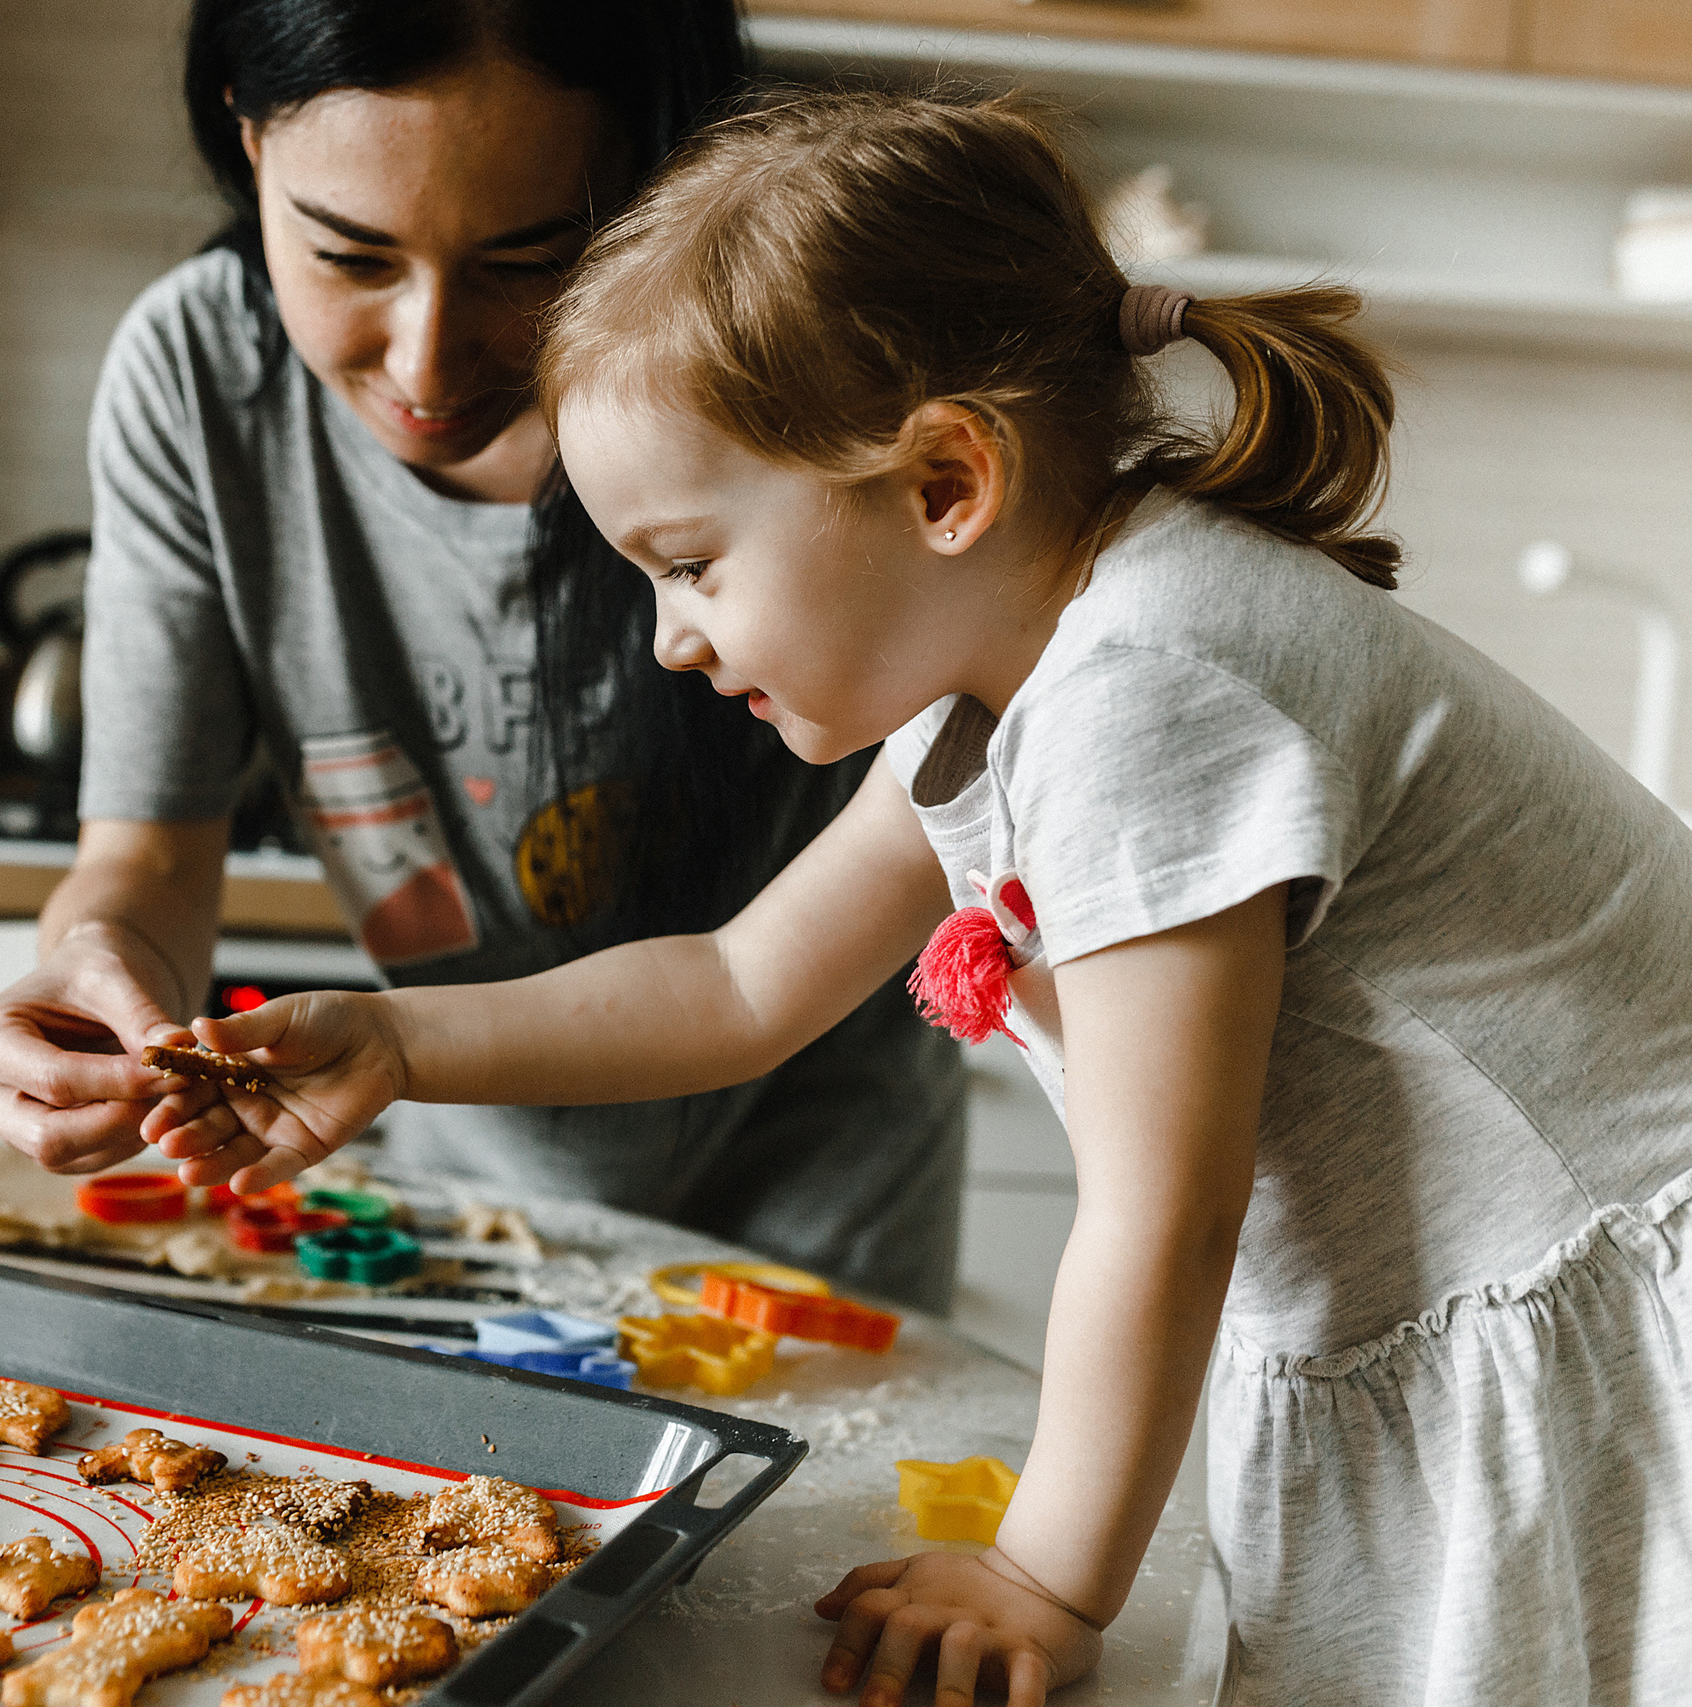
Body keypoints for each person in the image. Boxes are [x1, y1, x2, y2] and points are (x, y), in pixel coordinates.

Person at [151, 91, 1692, 1704]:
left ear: (947, 481)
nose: (672, 637)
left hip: (1604, 1354)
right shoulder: (1012, 673)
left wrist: (1043, 1579)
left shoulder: (1149, 683)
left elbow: (1169, 1213)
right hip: (1443, 1336)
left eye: (690, 563)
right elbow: (743, 986)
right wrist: (399, 1042)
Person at [0, 0, 968, 1309]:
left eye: (525, 262)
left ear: (655, 180)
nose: (427, 363)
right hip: (455, 1202)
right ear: (247, 139)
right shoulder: (201, 376)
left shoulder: (810, 370)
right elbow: (142, 865)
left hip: (819, 1209)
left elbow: (750, 985)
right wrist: (97, 980)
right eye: (350, 257)